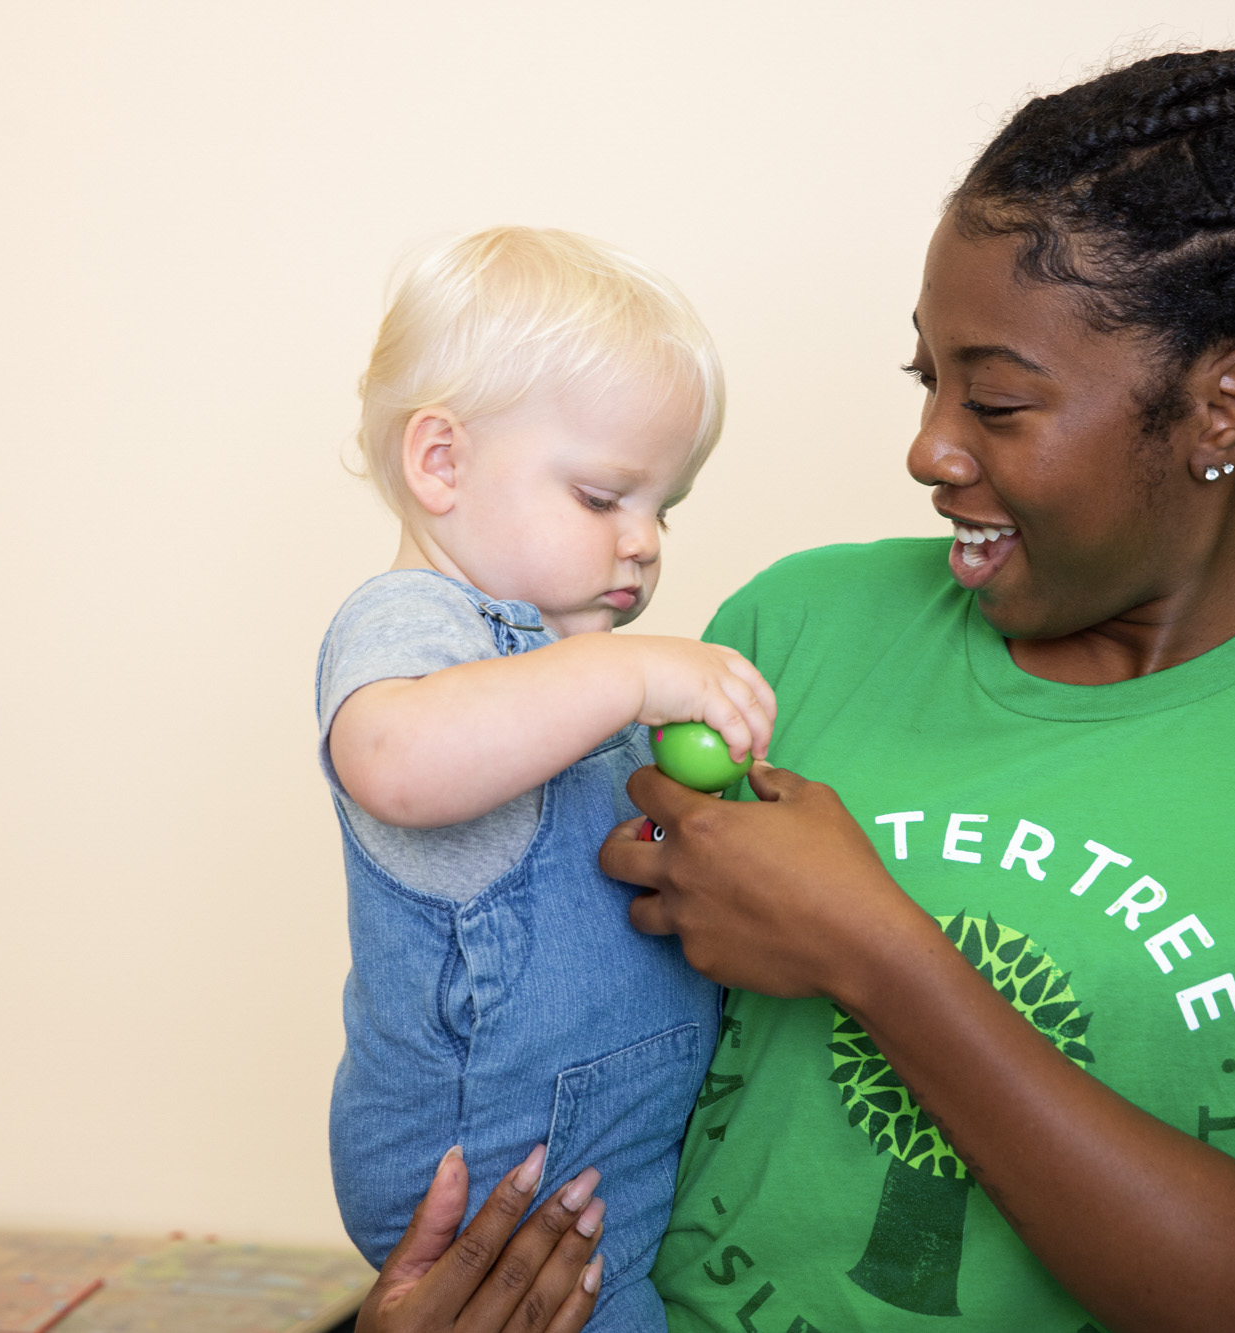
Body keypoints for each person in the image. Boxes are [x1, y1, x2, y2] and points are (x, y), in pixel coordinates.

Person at [354, 50, 1235, 1333]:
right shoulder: (795, 625)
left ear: (1224, 410)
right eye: (930, 381)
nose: (929, 448)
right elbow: (561, 1019)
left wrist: (877, 953)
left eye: (1001, 399)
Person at [318, 226, 776, 1332]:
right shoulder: (416, 622)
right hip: (498, 1166)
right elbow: (394, 759)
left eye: (662, 508)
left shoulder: (560, 667)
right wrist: (624, 672)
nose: (644, 542)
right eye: (602, 497)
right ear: (441, 463)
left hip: (602, 1142)